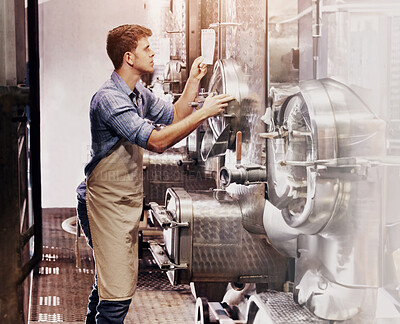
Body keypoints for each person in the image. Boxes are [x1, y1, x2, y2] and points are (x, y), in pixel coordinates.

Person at [76, 24, 234, 324]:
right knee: (117, 296)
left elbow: (174, 115)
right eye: (146, 49)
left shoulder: (137, 93)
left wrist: (194, 81)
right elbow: (157, 141)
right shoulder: (110, 99)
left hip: (121, 204)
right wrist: (205, 113)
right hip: (104, 205)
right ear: (129, 58)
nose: (153, 53)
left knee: (108, 286)